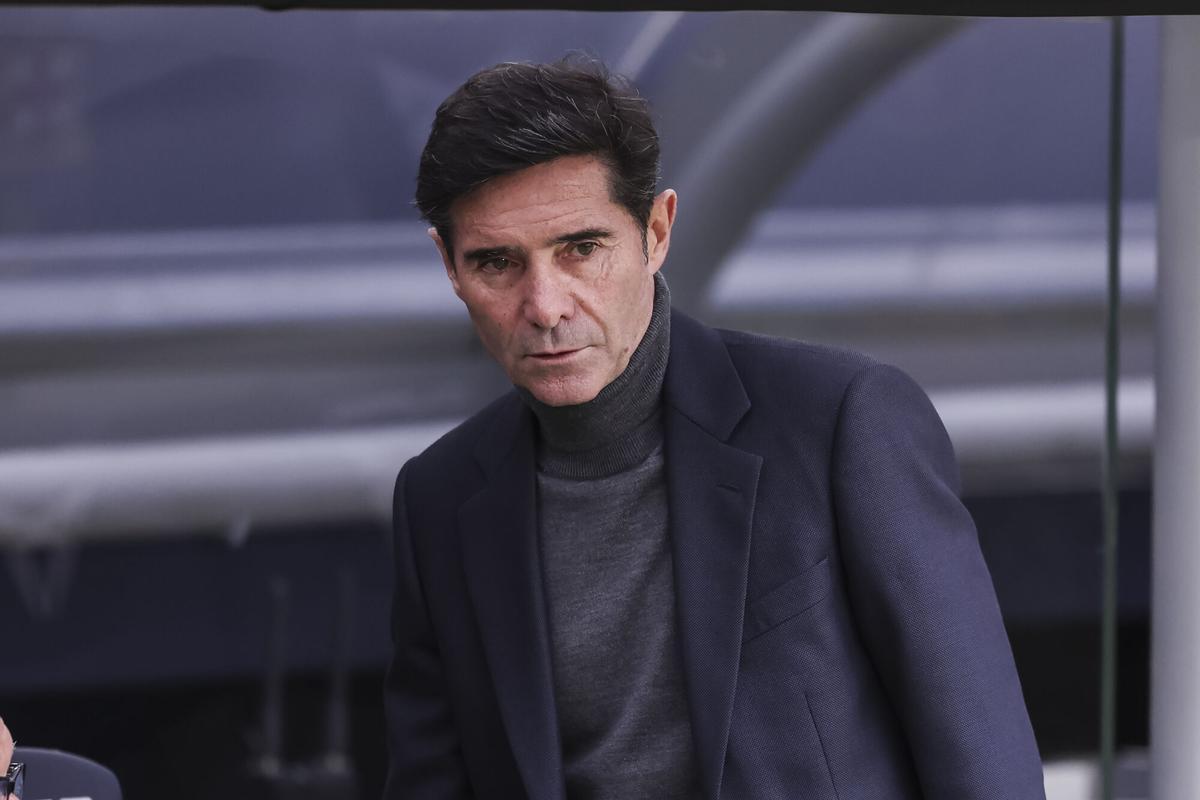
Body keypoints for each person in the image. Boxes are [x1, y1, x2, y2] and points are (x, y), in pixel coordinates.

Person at [383, 57, 1045, 800]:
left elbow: (982, 759)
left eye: (582, 249)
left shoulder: (840, 422)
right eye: (498, 263)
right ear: (449, 265)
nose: (545, 305)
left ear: (656, 232)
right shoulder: (439, 499)